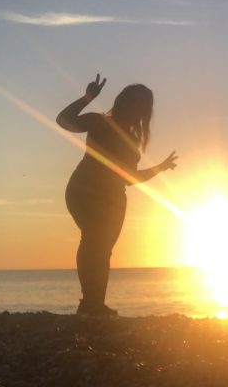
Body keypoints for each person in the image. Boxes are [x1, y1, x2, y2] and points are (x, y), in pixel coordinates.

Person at [57, 74, 178, 316]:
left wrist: (160, 168)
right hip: (84, 190)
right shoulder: (100, 122)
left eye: (142, 105)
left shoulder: (133, 140)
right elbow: (64, 121)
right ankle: (90, 303)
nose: (137, 109)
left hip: (113, 198)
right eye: (133, 102)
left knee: (102, 249)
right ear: (122, 102)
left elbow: (129, 178)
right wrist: (87, 98)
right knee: (92, 241)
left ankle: (94, 303)